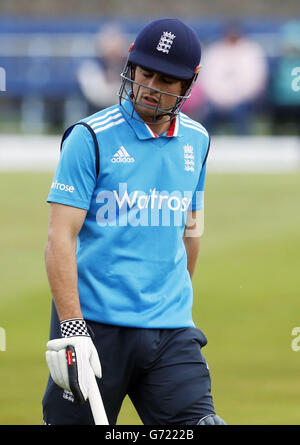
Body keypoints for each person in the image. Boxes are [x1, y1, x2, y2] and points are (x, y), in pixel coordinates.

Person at [42, 17, 226, 426]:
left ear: (190, 82)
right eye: (146, 74)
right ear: (131, 65)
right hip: (94, 331)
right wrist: (72, 329)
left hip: (170, 333)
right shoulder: (88, 137)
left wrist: (173, 304)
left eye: (166, 80)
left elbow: (191, 230)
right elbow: (60, 238)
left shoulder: (198, 140)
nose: (151, 88)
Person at [201, 23, 268, 135]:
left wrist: (236, 99)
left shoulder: (251, 51)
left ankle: (245, 148)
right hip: (216, 102)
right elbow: (206, 80)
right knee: (207, 116)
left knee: (240, 113)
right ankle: (203, 146)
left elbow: (255, 81)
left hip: (244, 101)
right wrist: (219, 99)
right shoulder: (214, 51)